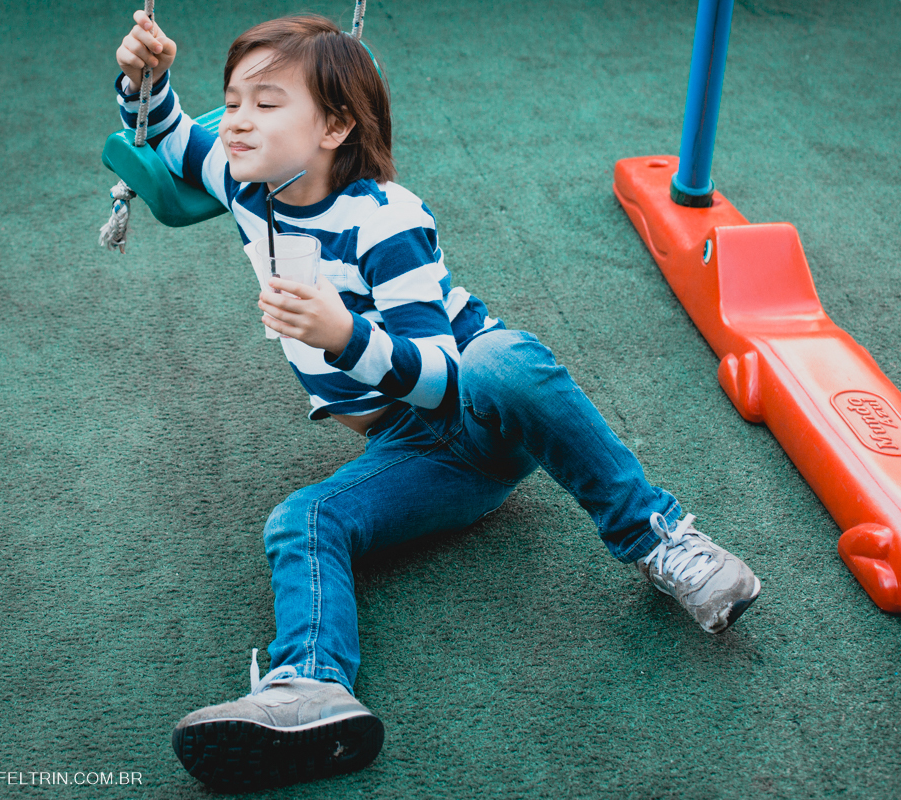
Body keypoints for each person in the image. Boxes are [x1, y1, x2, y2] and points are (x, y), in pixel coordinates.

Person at [114, 7, 762, 791]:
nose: (236, 121)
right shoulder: (248, 183)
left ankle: (658, 537)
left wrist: (343, 335)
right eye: (234, 99)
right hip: (418, 455)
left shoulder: (384, 220)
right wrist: (143, 77)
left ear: (335, 127)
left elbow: (444, 377)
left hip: (480, 412)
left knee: (500, 358)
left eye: (264, 102)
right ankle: (311, 686)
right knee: (301, 518)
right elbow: (170, 135)